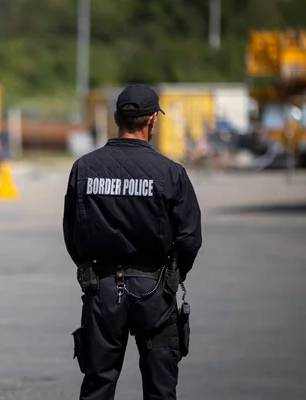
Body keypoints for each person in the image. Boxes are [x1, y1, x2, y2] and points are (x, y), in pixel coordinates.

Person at [63, 84, 202, 400]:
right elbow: (190, 237)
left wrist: (88, 270)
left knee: (98, 383)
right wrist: (174, 275)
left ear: (116, 117)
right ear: (153, 120)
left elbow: (72, 229)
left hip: (103, 289)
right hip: (155, 291)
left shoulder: (83, 168)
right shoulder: (170, 172)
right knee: (160, 387)